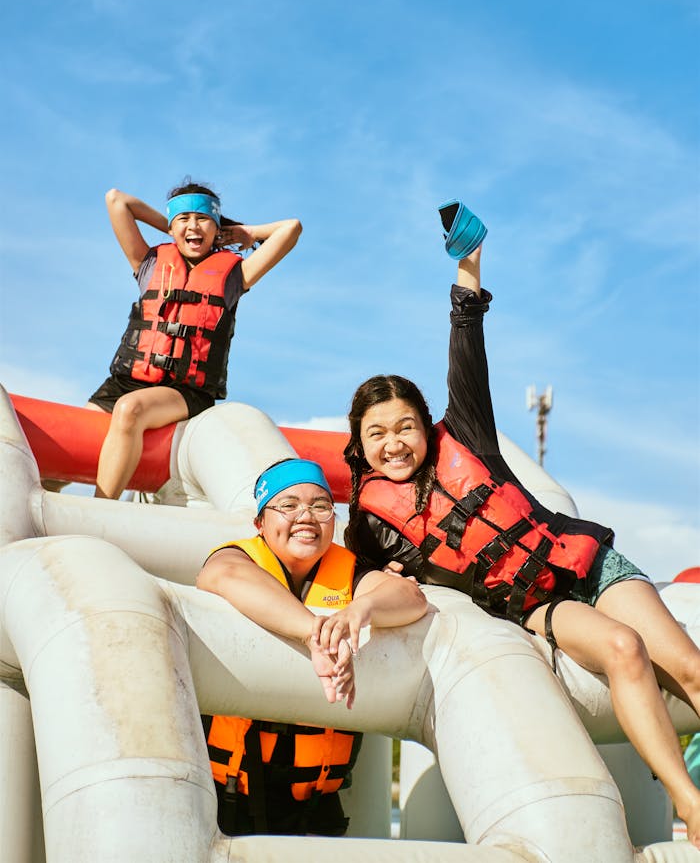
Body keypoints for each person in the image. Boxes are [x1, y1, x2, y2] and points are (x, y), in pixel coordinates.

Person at [343, 199, 700, 848]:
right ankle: (690, 803)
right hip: (536, 606)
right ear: (360, 447)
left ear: (425, 426)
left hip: (590, 564)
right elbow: (373, 582)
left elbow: (466, 341)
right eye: (377, 434)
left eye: (404, 427)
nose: (393, 442)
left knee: (690, 666)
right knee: (624, 649)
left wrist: (468, 268)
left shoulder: (468, 434)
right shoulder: (374, 525)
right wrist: (359, 610)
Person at [196, 457, 427, 836]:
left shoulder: (352, 572)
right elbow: (222, 574)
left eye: (320, 506)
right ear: (260, 523)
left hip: (317, 808)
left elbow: (411, 598)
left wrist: (363, 607)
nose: (306, 516)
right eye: (288, 505)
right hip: (231, 799)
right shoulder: (237, 557)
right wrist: (314, 633)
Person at [87, 181, 301, 499]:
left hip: (184, 392)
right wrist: (176, 225)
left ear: (217, 228)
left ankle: (98, 513)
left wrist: (241, 232)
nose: (193, 225)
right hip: (123, 383)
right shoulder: (148, 263)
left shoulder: (235, 275)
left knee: (130, 410)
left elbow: (291, 228)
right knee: (59, 444)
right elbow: (116, 200)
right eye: (183, 218)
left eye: (202, 219)